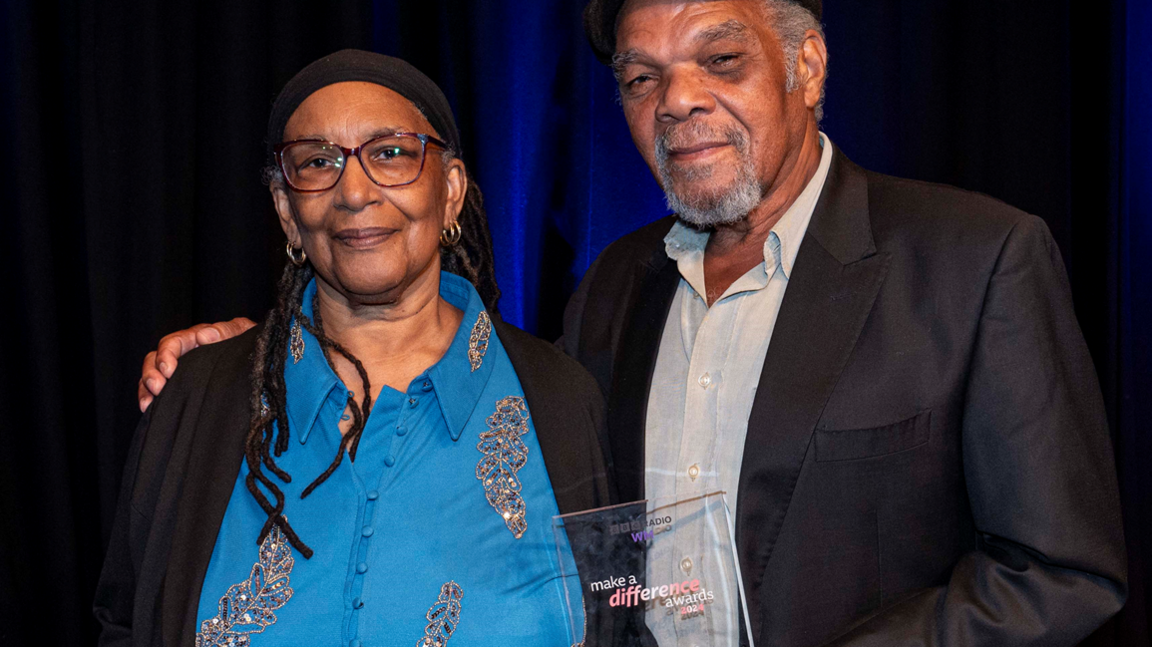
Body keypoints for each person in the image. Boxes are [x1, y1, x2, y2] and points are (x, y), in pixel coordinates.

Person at [139, 1, 1128, 645]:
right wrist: (262, 354)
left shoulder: (976, 259)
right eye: (641, 76)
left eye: (721, 59)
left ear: (809, 66)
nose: (678, 100)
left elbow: (1061, 572)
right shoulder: (615, 287)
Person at [97, 49, 609, 647]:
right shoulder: (196, 399)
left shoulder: (563, 401)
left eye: (390, 153)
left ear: (450, 191)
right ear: (287, 212)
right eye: (317, 163)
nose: (354, 192)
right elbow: (126, 624)